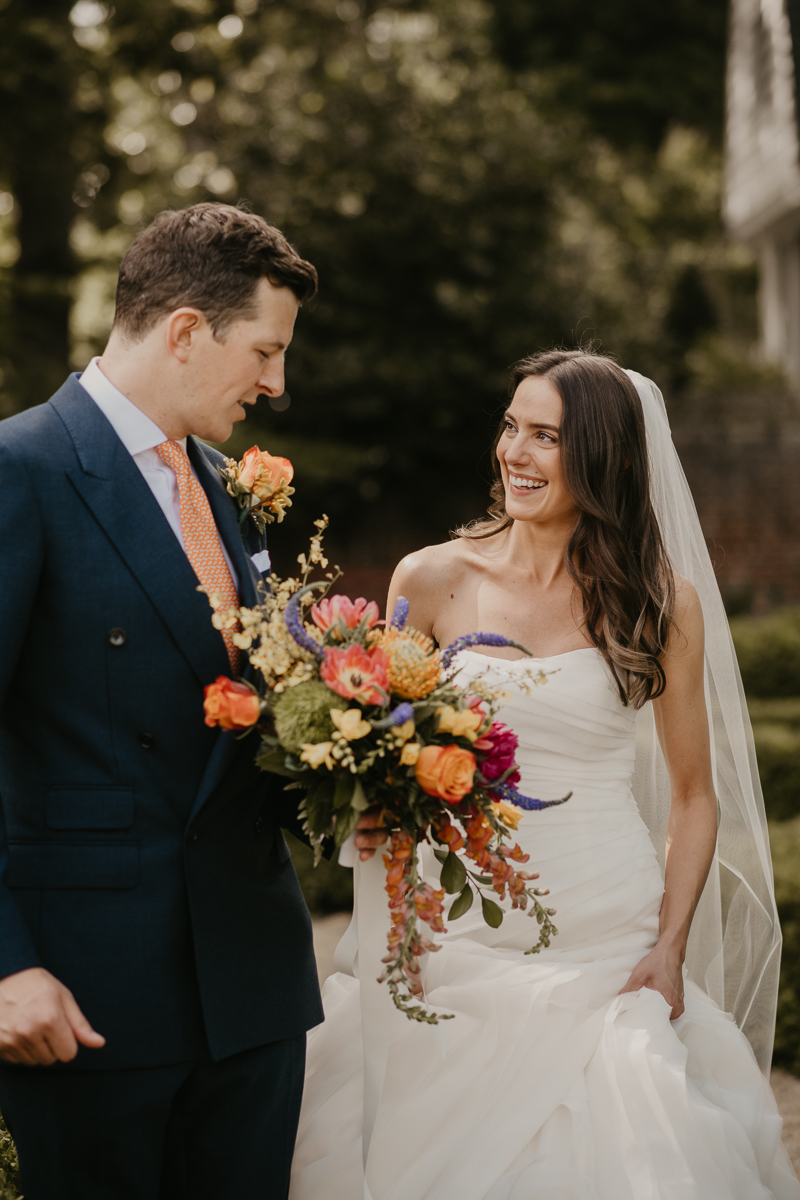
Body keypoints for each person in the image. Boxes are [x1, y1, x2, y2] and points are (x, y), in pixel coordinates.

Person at [291, 349, 800, 1199]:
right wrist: (396, 941)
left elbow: (691, 795)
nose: (513, 453)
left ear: (602, 458)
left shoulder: (660, 601)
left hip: (610, 942)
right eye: (510, 427)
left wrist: (669, 951)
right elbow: (388, 769)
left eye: (545, 437)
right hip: (458, 938)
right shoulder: (432, 579)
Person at [0, 202, 322, 1199]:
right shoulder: (21, 469)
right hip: (87, 995)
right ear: (186, 331)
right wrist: (4, 968)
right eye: (264, 351)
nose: (276, 382)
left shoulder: (229, 486)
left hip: (253, 991)